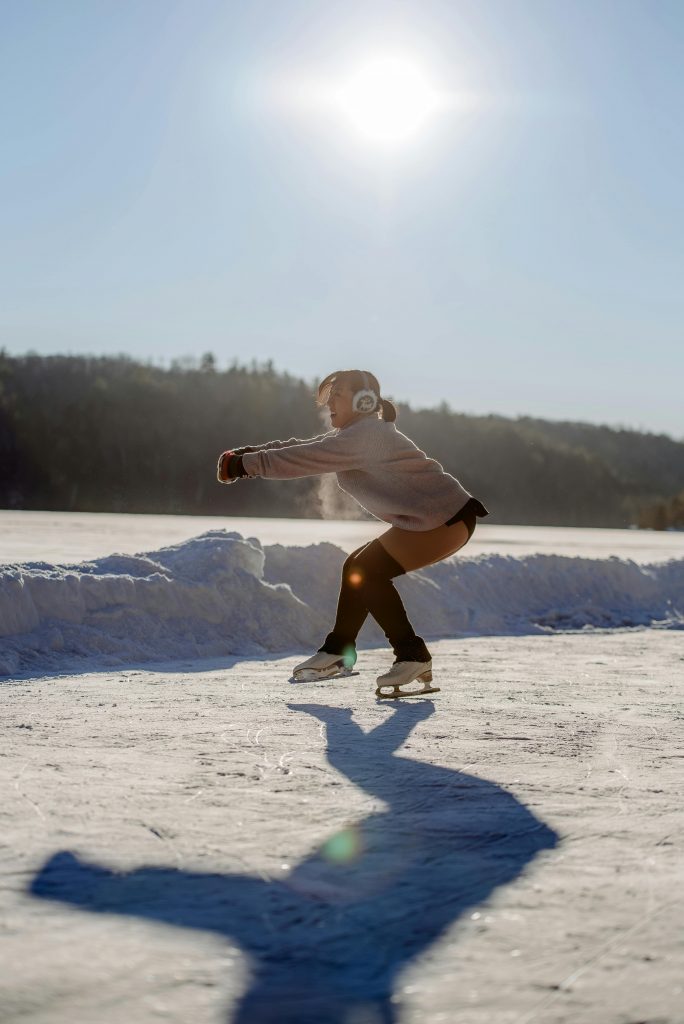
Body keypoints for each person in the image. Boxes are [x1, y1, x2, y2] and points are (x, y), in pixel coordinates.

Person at [216, 369, 488, 698]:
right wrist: (249, 454)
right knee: (356, 567)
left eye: (338, 395)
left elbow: (302, 457)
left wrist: (246, 465)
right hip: (437, 519)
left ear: (364, 401)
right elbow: (306, 447)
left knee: (368, 573)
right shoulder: (354, 436)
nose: (330, 402)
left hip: (445, 520)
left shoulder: (366, 437)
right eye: (329, 396)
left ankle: (411, 655)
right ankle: (339, 650)